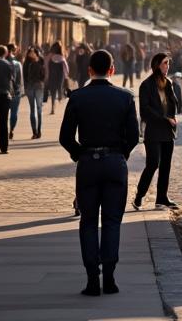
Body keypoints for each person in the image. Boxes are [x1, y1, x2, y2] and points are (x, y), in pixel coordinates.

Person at [59, 49, 139, 297]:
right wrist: (120, 154)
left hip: (88, 164)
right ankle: (111, 277)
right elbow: (134, 136)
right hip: (115, 162)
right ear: (112, 70)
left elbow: (65, 137)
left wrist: (79, 153)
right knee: (113, 221)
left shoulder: (78, 97)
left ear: (89, 71)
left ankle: (92, 279)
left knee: (89, 221)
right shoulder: (125, 98)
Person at [134, 53, 182, 210]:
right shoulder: (146, 85)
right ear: (156, 65)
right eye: (164, 64)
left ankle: (162, 198)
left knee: (166, 165)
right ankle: (139, 196)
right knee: (153, 163)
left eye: (168, 64)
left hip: (168, 131)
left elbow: (174, 106)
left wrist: (173, 116)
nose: (167, 67)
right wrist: (164, 118)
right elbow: (145, 110)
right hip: (154, 131)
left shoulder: (168, 83)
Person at [23, 46, 47, 139]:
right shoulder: (26, 63)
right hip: (30, 87)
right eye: (30, 52)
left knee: (39, 109)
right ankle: (34, 132)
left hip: (39, 87)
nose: (31, 54)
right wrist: (25, 87)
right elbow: (24, 76)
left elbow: (44, 75)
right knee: (32, 109)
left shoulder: (41, 61)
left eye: (33, 52)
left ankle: (39, 130)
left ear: (36, 53)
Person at [5, 43, 24, 141]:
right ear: (14, 50)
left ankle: (5, 129)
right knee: (14, 112)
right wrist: (21, 90)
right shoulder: (18, 64)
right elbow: (20, 79)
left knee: (4, 112)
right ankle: (11, 129)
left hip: (5, 91)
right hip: (16, 91)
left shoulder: (3, 62)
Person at [47, 42, 69, 115]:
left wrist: (47, 75)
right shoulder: (62, 57)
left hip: (53, 75)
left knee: (53, 91)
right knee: (59, 86)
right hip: (60, 75)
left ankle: (53, 107)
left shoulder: (50, 56)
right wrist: (66, 76)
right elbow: (66, 68)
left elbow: (46, 65)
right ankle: (59, 95)